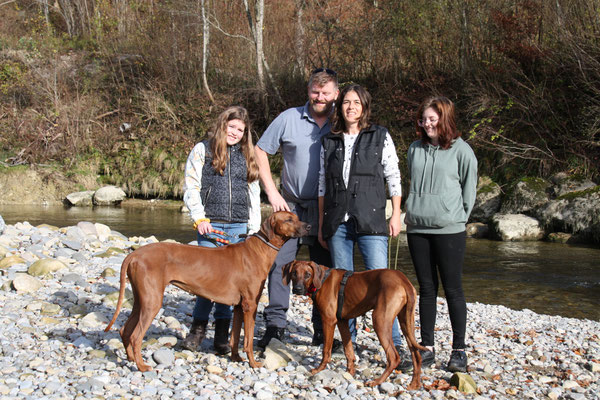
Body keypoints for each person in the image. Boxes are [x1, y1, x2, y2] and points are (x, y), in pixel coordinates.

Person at [254, 68, 338, 348]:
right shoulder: (289, 118)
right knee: (279, 266)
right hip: (290, 207)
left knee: (321, 270)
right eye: (316, 91)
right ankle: (275, 326)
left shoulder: (341, 120)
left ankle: (320, 329)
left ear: (336, 94)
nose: (320, 97)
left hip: (325, 208)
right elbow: (260, 150)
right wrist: (272, 191)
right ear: (308, 90)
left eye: (326, 92)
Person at [317, 84, 404, 352]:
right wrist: (322, 224)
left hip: (372, 220)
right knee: (342, 288)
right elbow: (322, 184)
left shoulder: (379, 136)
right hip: (337, 223)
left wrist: (396, 215)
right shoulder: (329, 140)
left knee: (385, 286)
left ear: (364, 106)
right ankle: (348, 343)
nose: (351, 107)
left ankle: (396, 343)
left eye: (356, 102)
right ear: (339, 106)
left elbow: (393, 176)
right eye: (346, 102)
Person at [398, 96, 477, 373]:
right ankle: (427, 348)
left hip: (450, 229)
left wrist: (457, 218)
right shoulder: (414, 149)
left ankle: (459, 351)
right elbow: (413, 183)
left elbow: (469, 190)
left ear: (444, 119)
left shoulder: (461, 150)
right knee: (427, 289)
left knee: (453, 289)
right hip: (418, 227)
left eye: (433, 119)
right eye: (424, 119)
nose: (428, 124)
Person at [181, 106, 261, 355]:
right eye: (232, 126)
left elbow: (254, 192)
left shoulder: (247, 155)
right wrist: (199, 218)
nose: (236, 133)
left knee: (231, 284)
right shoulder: (202, 150)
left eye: (241, 130)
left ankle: (221, 337)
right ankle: (197, 331)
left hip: (238, 227)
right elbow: (191, 186)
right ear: (222, 124)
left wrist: (254, 225)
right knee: (206, 281)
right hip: (210, 225)